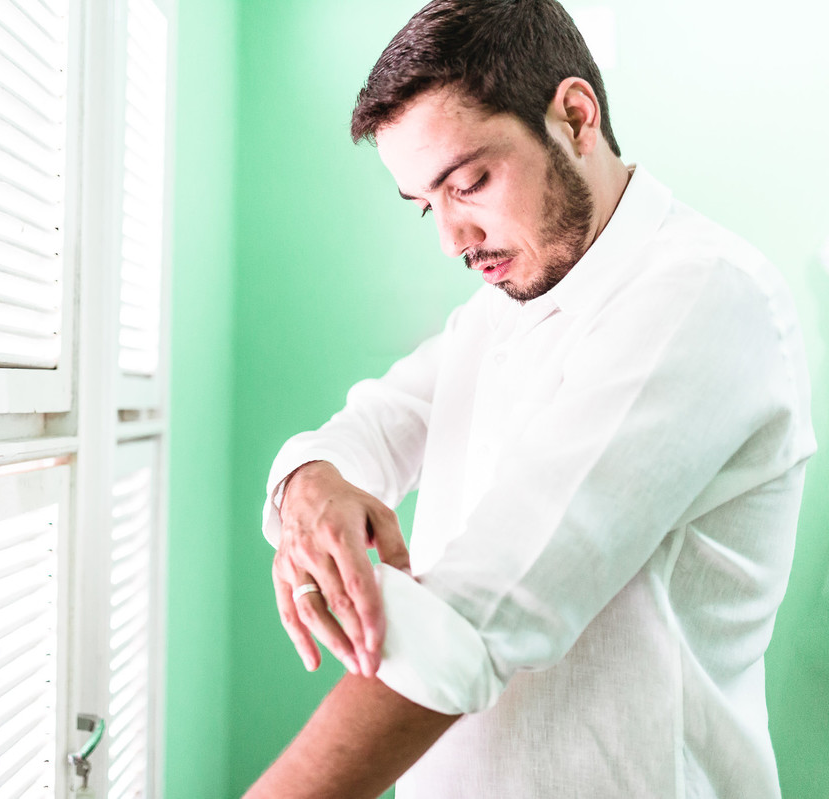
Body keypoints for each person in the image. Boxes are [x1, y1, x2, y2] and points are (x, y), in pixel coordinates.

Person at [245, 1, 817, 797]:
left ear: (575, 117)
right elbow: (373, 424)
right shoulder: (500, 309)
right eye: (424, 204)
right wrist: (308, 485)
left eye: (469, 181)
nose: (451, 237)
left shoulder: (705, 296)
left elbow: (481, 615)